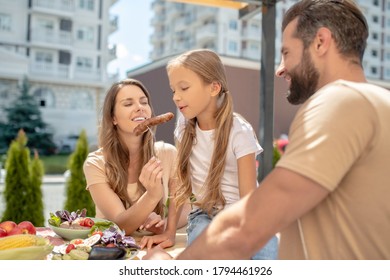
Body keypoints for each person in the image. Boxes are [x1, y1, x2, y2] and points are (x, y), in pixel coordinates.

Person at [143, 0, 390, 260]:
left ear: (321, 42)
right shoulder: (378, 103)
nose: (280, 69)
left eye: (286, 53)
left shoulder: (341, 102)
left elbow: (247, 224)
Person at [140, 49, 279, 260]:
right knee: (210, 253)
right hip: (203, 215)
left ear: (214, 87)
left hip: (245, 214)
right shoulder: (184, 129)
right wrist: (169, 232)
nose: (176, 97)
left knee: (267, 254)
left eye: (184, 88)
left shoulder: (239, 131)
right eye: (173, 90)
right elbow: (179, 183)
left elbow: (249, 201)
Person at [83, 78, 189, 245]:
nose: (140, 107)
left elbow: (186, 207)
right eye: (128, 104)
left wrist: (164, 226)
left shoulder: (168, 153)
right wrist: (152, 196)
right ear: (113, 118)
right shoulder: (96, 164)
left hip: (154, 246)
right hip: (112, 249)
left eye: (144, 102)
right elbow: (120, 224)